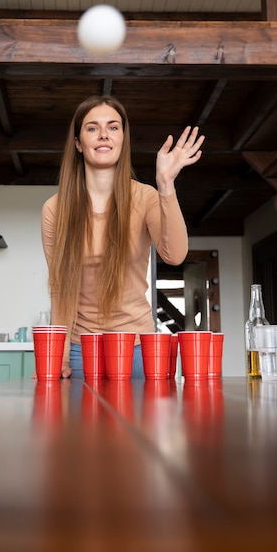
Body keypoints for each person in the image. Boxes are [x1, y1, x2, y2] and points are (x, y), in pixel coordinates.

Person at [41, 95, 204, 378]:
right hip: (82, 350)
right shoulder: (55, 209)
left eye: (113, 127)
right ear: (78, 143)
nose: (104, 134)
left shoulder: (146, 197)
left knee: (133, 424)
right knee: (79, 424)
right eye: (92, 128)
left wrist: (166, 185)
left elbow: (175, 255)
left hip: (138, 349)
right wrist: (61, 357)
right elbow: (59, 288)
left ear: (123, 139)